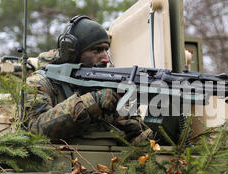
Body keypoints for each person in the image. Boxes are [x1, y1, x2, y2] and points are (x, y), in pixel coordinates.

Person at [25, 15, 152, 144]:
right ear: (72, 53)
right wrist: (92, 102)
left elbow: (131, 141)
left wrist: (151, 133)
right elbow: (35, 129)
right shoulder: (40, 83)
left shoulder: (107, 85)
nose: (106, 59)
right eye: (97, 50)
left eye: (106, 50)